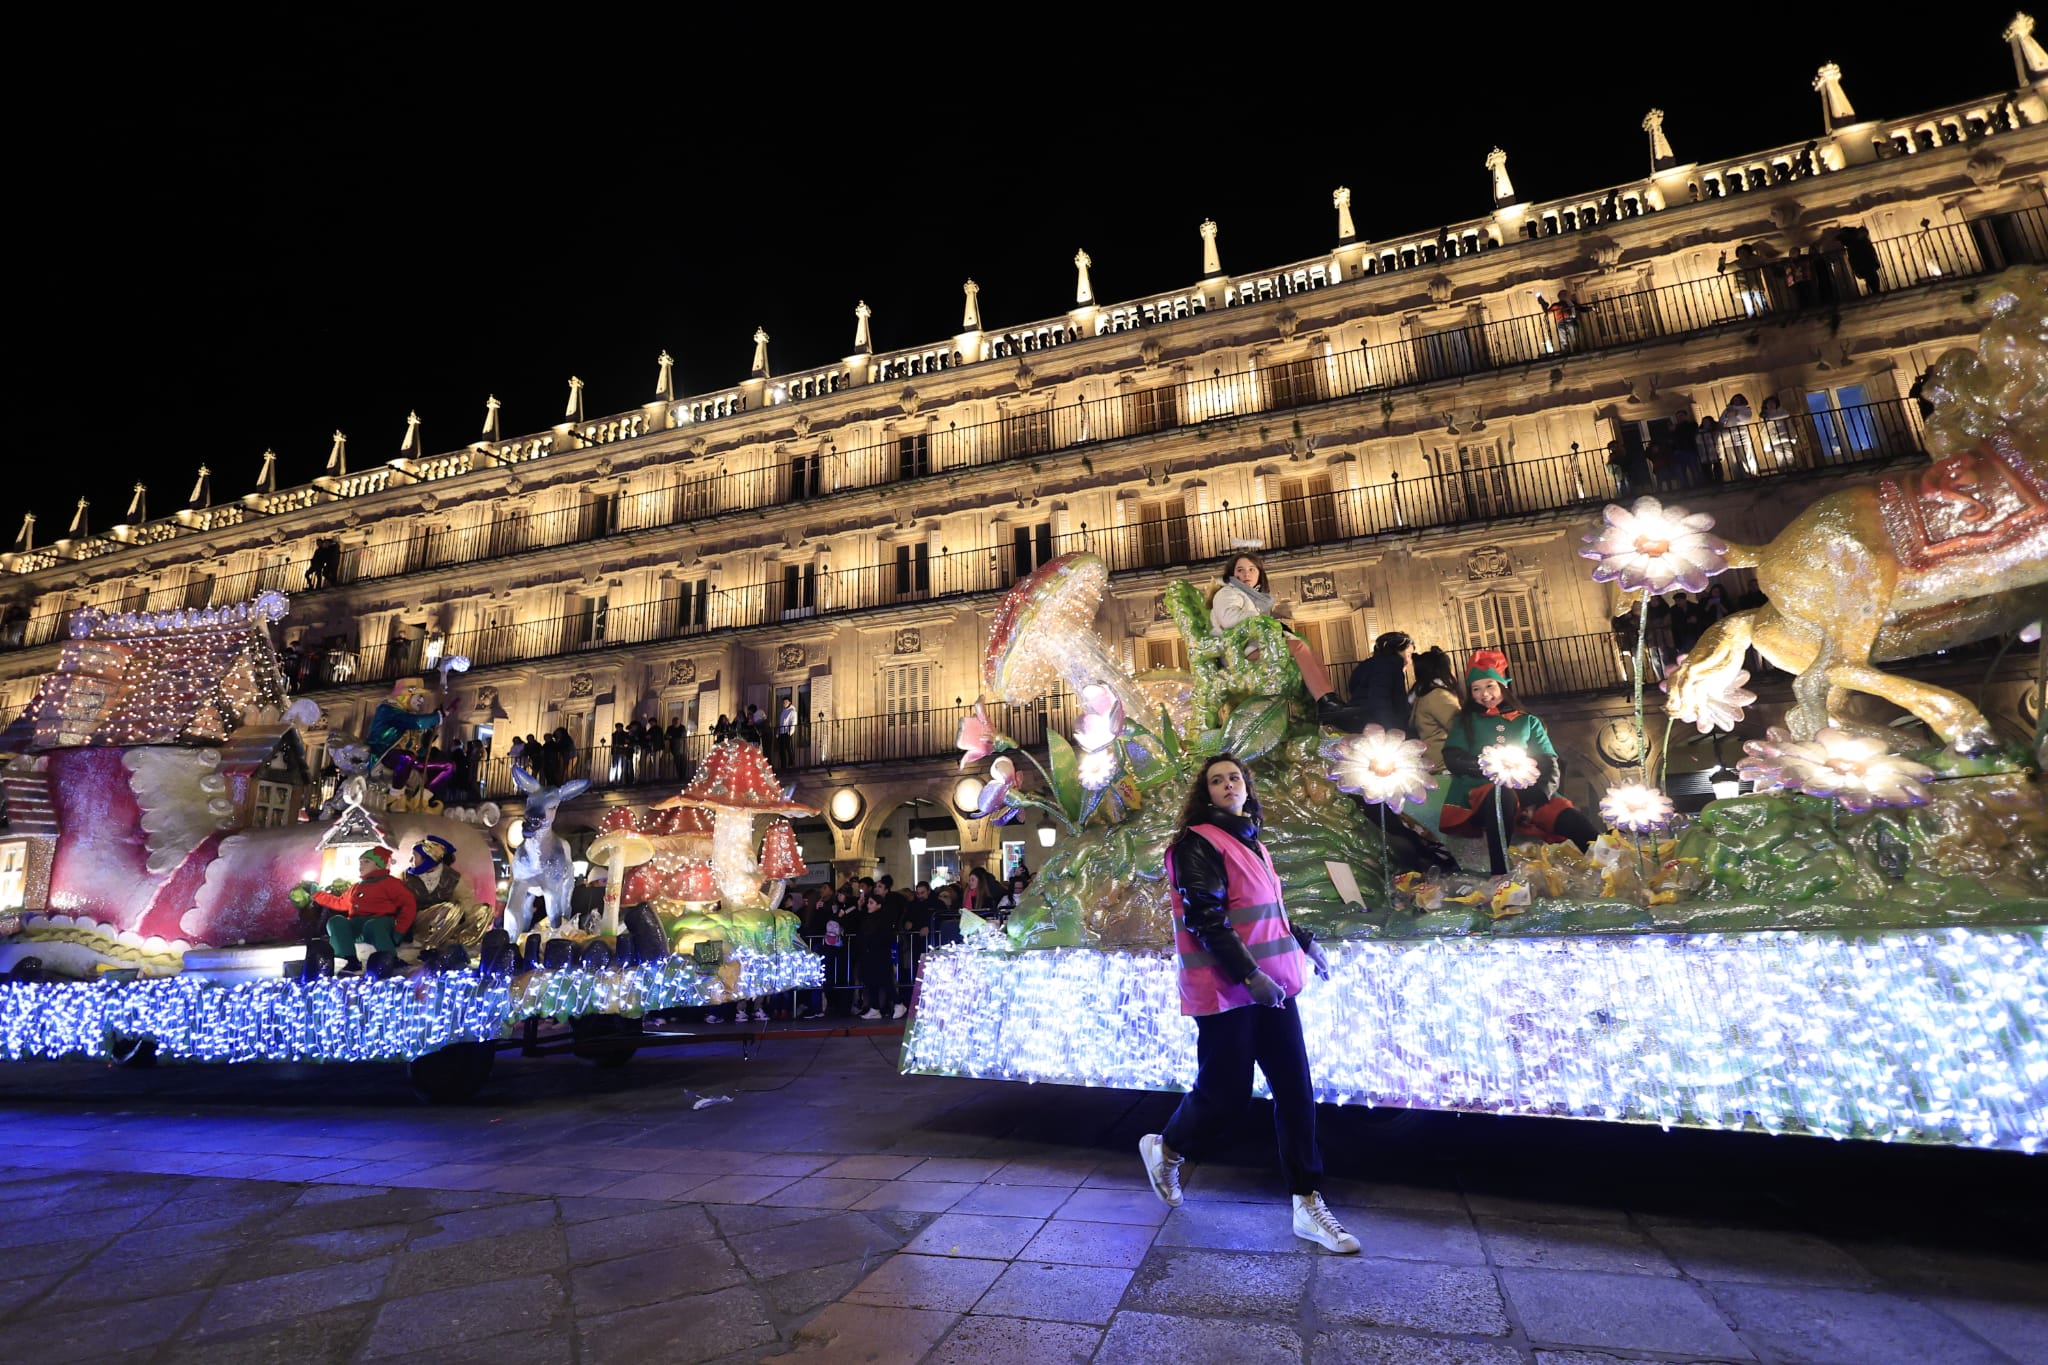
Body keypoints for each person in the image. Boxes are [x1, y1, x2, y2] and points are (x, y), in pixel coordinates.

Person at [1138, 755, 1360, 1255]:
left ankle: (1307, 1200)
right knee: (1225, 1095)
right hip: (1226, 990)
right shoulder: (1196, 843)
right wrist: (1250, 975)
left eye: (1234, 777)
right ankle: (1167, 1148)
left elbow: (1266, 913)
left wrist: (1303, 940)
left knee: (1295, 1090)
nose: (1227, 784)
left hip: (1272, 985)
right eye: (1217, 781)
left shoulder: (1250, 839)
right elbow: (1206, 919)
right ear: (1206, 794)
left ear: (1245, 786)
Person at [1436, 651, 1601, 875]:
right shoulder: (1464, 721)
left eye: (1490, 686)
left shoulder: (1528, 721)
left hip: (1527, 792)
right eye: (1476, 689)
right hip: (1481, 790)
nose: (1484, 695)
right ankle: (1501, 876)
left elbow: (1548, 763)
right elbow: (1453, 756)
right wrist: (1486, 765)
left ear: (1502, 686)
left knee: (1570, 817)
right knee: (1500, 795)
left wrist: (1538, 798)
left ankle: (1608, 867)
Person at [1210, 554, 1364, 730]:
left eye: (1252, 569)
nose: (1247, 574)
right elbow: (1229, 619)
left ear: (1259, 573)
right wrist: (1263, 619)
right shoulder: (1227, 592)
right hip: (1238, 652)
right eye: (1240, 570)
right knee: (1298, 647)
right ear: (1232, 574)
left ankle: (1329, 700)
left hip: (1252, 647)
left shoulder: (1252, 597)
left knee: (1311, 652)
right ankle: (1325, 703)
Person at [311, 847, 418, 971]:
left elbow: (408, 905)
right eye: (360, 862)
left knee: (374, 925)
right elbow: (340, 902)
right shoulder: (356, 887)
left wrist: (400, 930)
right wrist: (318, 894)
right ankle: (350, 959)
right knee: (336, 921)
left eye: (366, 861)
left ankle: (391, 958)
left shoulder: (391, 883)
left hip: (380, 923)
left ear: (379, 865)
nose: (361, 865)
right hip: (357, 925)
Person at [1407, 647, 1462, 835]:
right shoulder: (1438, 696)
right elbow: (1458, 728)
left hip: (1433, 759)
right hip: (1444, 761)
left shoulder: (1422, 696)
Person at [1345, 632, 1414, 735]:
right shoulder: (1389, 666)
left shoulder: (1365, 666)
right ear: (1396, 651)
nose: (1410, 661)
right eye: (1408, 655)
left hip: (1362, 726)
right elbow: (1380, 700)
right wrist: (1392, 730)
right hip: (1381, 731)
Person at [856, 888, 905, 1020]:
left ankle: (898, 1003)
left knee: (884, 980)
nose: (868, 905)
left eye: (871, 903)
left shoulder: (883, 919)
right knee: (871, 981)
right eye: (868, 903)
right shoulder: (869, 917)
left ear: (879, 905)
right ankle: (875, 1007)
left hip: (879, 954)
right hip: (869, 954)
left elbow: (882, 936)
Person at [776, 697, 798, 771]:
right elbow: (781, 722)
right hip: (782, 732)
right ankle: (783, 765)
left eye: (786, 702)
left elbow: (793, 722)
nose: (784, 703)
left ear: (789, 702)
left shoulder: (792, 711)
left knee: (788, 749)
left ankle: (791, 764)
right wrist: (778, 732)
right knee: (781, 749)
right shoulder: (783, 711)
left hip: (787, 732)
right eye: (783, 702)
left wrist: (790, 732)